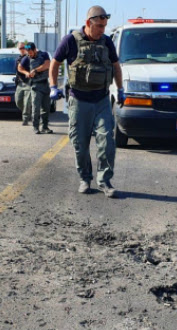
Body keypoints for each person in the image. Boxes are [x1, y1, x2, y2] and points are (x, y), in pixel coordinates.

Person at [48, 5, 123, 198]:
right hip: (79, 101)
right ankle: (85, 178)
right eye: (99, 26)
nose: (102, 30)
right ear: (88, 23)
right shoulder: (71, 41)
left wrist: (120, 89)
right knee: (80, 144)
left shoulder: (106, 42)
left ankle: (105, 181)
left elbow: (116, 66)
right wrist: (53, 86)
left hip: (101, 100)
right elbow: (55, 63)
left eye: (104, 26)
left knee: (106, 141)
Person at [18, 42, 53, 134]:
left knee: (46, 107)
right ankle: (36, 127)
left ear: (34, 50)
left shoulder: (43, 55)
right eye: (27, 52)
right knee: (36, 107)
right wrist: (26, 73)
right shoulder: (26, 58)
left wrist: (35, 70)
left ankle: (45, 127)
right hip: (35, 86)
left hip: (45, 84)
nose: (29, 54)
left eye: (30, 52)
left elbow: (47, 64)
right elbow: (20, 67)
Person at [14, 42, 32, 126]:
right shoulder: (18, 59)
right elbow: (17, 71)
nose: (22, 49)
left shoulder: (30, 57)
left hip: (28, 82)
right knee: (18, 101)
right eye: (20, 48)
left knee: (27, 102)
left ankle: (25, 118)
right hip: (20, 83)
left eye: (23, 47)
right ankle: (29, 112)